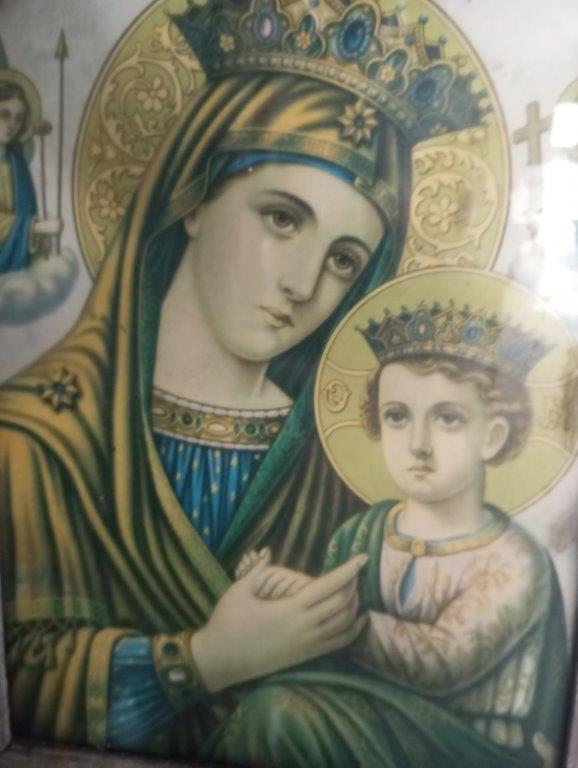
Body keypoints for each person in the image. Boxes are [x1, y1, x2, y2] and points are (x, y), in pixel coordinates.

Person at [0, 0, 486, 757]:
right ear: (193, 197)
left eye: (344, 261)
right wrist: (203, 661)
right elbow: (22, 680)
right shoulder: (38, 434)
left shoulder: (344, 464)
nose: (303, 285)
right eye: (283, 219)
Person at [224, 301, 568, 768]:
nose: (418, 445)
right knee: (264, 707)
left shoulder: (514, 560)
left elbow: (443, 661)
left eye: (448, 418)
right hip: (367, 718)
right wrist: (277, 600)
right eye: (397, 416)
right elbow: (325, 661)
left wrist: (326, 612)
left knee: (278, 716)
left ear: (492, 437)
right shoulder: (360, 534)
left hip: (466, 750)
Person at [0, 69, 61, 272]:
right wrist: (36, 227)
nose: (12, 125)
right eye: (4, 115)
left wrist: (39, 237)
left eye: (18, 118)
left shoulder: (17, 162)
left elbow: (28, 208)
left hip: (15, 261)